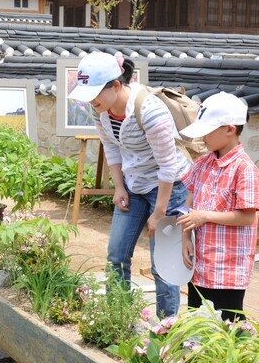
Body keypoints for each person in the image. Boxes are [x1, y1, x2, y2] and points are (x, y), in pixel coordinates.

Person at [67, 52, 192, 319]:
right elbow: (111, 148)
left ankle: (166, 328)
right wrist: (119, 188)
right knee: (116, 254)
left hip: (169, 188)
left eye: (94, 93)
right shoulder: (100, 111)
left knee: (163, 265)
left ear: (115, 85)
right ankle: (118, 318)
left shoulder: (149, 111)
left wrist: (159, 213)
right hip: (134, 184)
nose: (90, 100)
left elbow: (168, 167)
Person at [177, 91, 259, 322]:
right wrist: (186, 236)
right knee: (196, 324)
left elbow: (246, 217)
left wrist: (204, 216)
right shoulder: (203, 162)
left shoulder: (245, 170)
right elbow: (189, 202)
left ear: (229, 129)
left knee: (227, 329)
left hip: (228, 270)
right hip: (200, 264)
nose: (202, 137)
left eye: (207, 130)